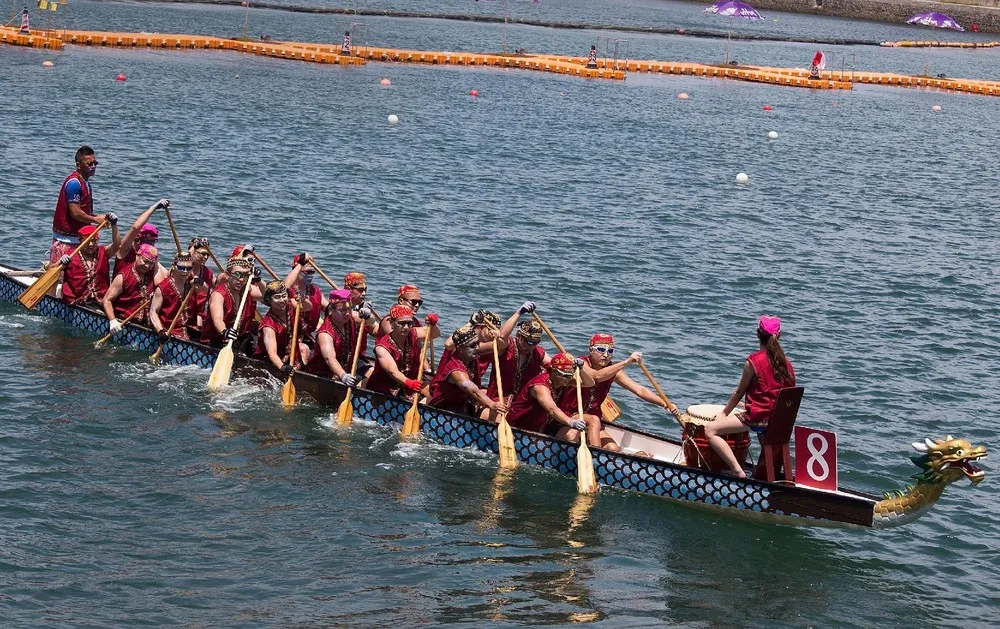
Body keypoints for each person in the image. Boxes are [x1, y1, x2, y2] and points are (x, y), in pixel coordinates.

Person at [705, 315, 796, 478]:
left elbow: (739, 392)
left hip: (757, 417)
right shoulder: (787, 363)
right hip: (778, 419)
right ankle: (769, 477)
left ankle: (738, 472)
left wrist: (724, 413)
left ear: (757, 334)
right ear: (779, 336)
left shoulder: (753, 361)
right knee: (763, 435)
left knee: (710, 430)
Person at [506, 352, 621, 451]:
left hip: (543, 427)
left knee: (575, 433)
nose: (567, 380)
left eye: (569, 376)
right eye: (564, 376)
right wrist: (571, 422)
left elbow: (590, 383)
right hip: (519, 428)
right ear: (553, 371)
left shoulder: (562, 379)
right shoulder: (540, 386)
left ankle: (594, 456)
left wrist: (581, 370)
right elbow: (552, 409)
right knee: (572, 434)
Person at [50, 146, 116, 267]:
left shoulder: (86, 184)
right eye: (89, 164)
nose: (93, 166)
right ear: (79, 165)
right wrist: (95, 220)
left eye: (95, 163)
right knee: (60, 279)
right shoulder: (74, 184)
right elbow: (75, 213)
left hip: (79, 239)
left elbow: (83, 211)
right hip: (67, 241)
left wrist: (99, 217)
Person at [427, 324, 506, 418]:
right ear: (460, 349)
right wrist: (491, 404)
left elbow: (501, 345)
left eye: (478, 343)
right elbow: (473, 391)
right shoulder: (456, 371)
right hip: (445, 409)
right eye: (472, 345)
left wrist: (497, 336)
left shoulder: (470, 354)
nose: (477, 348)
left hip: (463, 404)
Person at [578, 333, 664, 415]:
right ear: (591, 350)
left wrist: (664, 404)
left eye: (610, 351)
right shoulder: (581, 363)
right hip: (571, 414)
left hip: (593, 416)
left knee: (596, 423)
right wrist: (627, 361)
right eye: (601, 350)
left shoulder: (615, 371)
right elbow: (596, 376)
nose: (606, 355)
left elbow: (639, 390)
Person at [366, 304, 440, 397]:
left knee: (435, 394)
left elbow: (434, 334)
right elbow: (393, 371)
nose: (406, 327)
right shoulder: (382, 348)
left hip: (411, 382)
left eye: (409, 323)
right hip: (386, 388)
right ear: (391, 323)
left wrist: (433, 325)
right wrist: (410, 383)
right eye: (401, 323)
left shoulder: (413, 333)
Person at [304, 289, 375, 385]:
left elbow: (370, 322)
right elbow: (330, 358)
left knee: (373, 378)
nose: (347, 313)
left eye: (349, 309)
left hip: (347, 367)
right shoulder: (325, 334)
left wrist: (368, 314)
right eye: (342, 310)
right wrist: (344, 376)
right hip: (325, 375)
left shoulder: (351, 317)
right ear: (331, 309)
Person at [200, 255, 266, 349]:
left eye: (245, 275)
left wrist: (259, 280)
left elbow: (266, 295)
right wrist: (224, 331)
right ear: (227, 275)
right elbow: (217, 319)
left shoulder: (247, 289)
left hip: (238, 340)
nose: (241, 280)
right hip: (216, 342)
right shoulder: (218, 294)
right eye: (237, 274)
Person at [487, 312, 549, 407]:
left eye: (535, 343)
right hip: (498, 401)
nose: (530, 346)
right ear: (519, 335)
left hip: (522, 404)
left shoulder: (538, 353)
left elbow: (554, 365)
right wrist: (519, 312)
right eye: (528, 342)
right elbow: (502, 336)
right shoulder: (507, 346)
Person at [60, 219, 123, 306]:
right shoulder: (71, 255)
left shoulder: (103, 252)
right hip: (76, 302)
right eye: (87, 241)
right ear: (80, 241)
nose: (90, 244)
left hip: (99, 301)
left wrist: (114, 225)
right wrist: (61, 262)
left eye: (94, 241)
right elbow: (54, 269)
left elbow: (117, 245)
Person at [101, 244, 163, 331]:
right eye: (145, 261)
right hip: (124, 321)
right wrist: (112, 321)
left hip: (145, 323)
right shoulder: (123, 276)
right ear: (137, 255)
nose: (147, 266)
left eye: (151, 264)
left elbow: (167, 279)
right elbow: (107, 300)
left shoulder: (153, 274)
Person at [255, 280, 310, 375]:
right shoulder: (268, 325)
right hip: (271, 360)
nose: (282, 300)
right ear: (269, 300)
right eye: (277, 297)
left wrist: (303, 300)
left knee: (304, 348)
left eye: (284, 296)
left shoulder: (291, 306)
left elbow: (308, 307)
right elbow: (271, 353)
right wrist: (283, 368)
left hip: (288, 352)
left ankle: (300, 373)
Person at [111, 199, 169, 278]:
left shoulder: (151, 256)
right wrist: (154, 207)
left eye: (153, 241)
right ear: (137, 240)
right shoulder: (125, 251)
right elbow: (136, 228)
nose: (151, 245)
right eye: (147, 241)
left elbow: (166, 276)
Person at [149, 253, 197, 341]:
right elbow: (153, 312)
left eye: (188, 268)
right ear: (174, 266)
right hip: (169, 333)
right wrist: (161, 331)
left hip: (187, 333)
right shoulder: (163, 287)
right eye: (181, 268)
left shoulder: (192, 286)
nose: (185, 271)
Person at [285, 254, 326, 340]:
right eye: (307, 272)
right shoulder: (286, 290)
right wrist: (300, 263)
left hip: (308, 335)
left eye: (312, 272)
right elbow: (286, 286)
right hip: (288, 335)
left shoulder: (314, 290)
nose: (310, 275)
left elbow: (329, 308)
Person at [186, 237, 215, 336]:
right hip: (182, 313)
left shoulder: (208, 272)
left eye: (208, 254)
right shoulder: (182, 268)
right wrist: (191, 251)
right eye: (202, 253)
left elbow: (220, 287)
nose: (206, 257)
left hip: (200, 315)